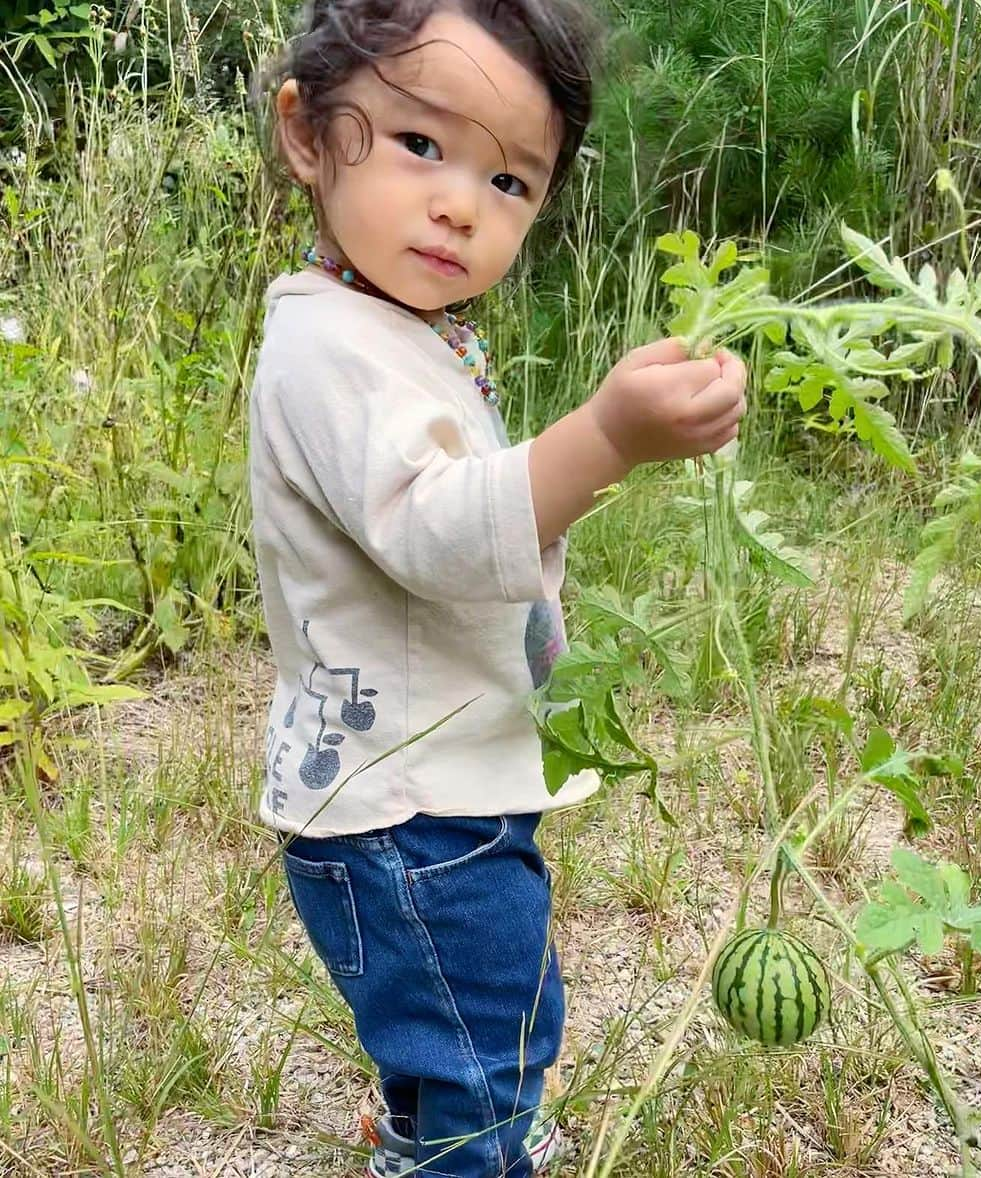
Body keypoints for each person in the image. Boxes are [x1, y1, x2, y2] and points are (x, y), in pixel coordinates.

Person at [250, 2, 747, 1174]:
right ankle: (463, 1140)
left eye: (512, 180)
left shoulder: (387, 327)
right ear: (307, 132)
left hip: (428, 785)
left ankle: (441, 1118)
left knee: (470, 1019)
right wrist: (608, 435)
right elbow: (434, 530)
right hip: (412, 813)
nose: (462, 203)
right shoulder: (331, 351)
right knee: (489, 1041)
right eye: (424, 144)